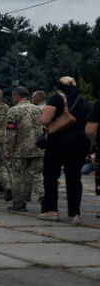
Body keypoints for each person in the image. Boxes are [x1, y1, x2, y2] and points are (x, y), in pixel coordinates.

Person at [38, 76, 92, 223]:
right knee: (74, 178)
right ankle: (74, 214)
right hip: (80, 143)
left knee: (50, 176)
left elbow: (44, 120)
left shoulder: (57, 99)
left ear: (59, 87)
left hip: (58, 142)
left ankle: (51, 210)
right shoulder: (84, 103)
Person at [5, 86, 44, 212]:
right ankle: (44, 197)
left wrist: (8, 149)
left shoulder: (13, 111)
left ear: (16, 96)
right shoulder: (38, 109)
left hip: (20, 149)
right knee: (36, 175)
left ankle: (19, 202)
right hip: (38, 148)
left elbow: (10, 133)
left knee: (18, 176)